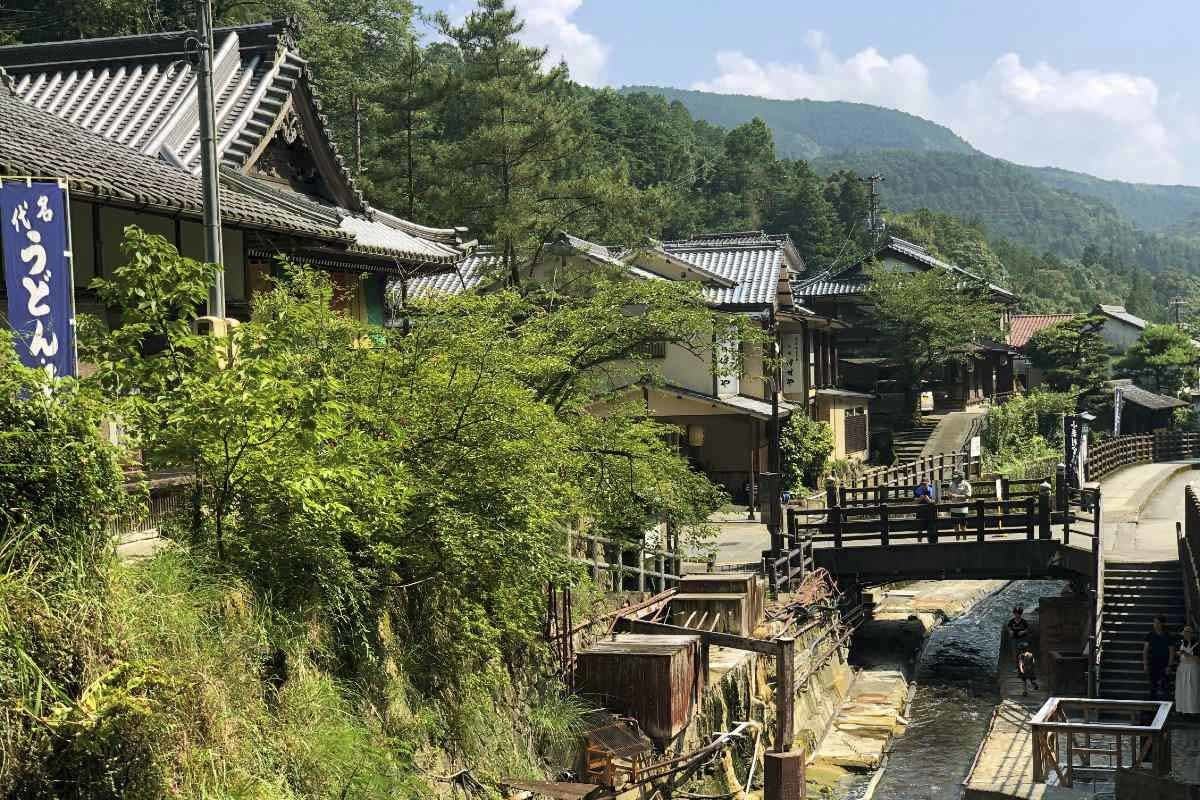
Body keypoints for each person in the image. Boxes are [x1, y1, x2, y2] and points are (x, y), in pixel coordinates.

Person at [1144, 615, 1176, 701]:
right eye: (1154, 622)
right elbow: (1145, 650)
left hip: (1165, 664)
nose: (1156, 625)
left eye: (1158, 623)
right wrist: (1145, 664)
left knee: (1166, 687)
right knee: (1152, 687)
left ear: (1162, 624)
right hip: (1153, 664)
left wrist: (1169, 666)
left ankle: (1167, 709)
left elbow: (1172, 651)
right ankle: (1151, 711)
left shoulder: (1168, 635)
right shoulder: (1150, 635)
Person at [1176, 624, 1199, 716]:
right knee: (1182, 689)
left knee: (1192, 690)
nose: (1185, 634)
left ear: (1191, 633)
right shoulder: (1181, 643)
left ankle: (1193, 710)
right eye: (1184, 632)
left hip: (1193, 668)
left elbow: (1198, 659)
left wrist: (1187, 655)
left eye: (1188, 632)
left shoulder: (1197, 644)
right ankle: (1183, 710)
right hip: (1182, 669)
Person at [947, 471, 973, 540]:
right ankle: (957, 540)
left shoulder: (966, 484)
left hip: (963, 509)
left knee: (963, 526)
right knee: (955, 526)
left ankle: (965, 540)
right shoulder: (951, 484)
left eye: (957, 477)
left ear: (961, 477)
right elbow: (949, 494)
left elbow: (968, 495)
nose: (955, 478)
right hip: (953, 508)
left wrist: (957, 496)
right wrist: (950, 496)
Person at [914, 477, 936, 543]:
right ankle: (919, 543)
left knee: (930, 529)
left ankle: (930, 543)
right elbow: (914, 502)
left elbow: (935, 502)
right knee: (919, 529)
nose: (924, 485)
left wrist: (928, 500)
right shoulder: (917, 490)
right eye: (923, 484)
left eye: (925, 484)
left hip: (930, 513)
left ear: (928, 484)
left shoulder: (932, 490)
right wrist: (920, 499)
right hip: (920, 512)